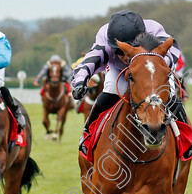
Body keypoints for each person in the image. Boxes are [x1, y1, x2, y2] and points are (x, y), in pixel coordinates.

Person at [71, 10, 184, 156]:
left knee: (172, 98)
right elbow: (91, 59)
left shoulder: (154, 29)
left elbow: (172, 50)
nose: (124, 57)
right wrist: (80, 81)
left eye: (128, 50)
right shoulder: (104, 35)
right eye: (119, 51)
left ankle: (188, 142)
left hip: (152, 69)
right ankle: (86, 135)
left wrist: (152, 67)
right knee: (110, 92)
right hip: (118, 71)